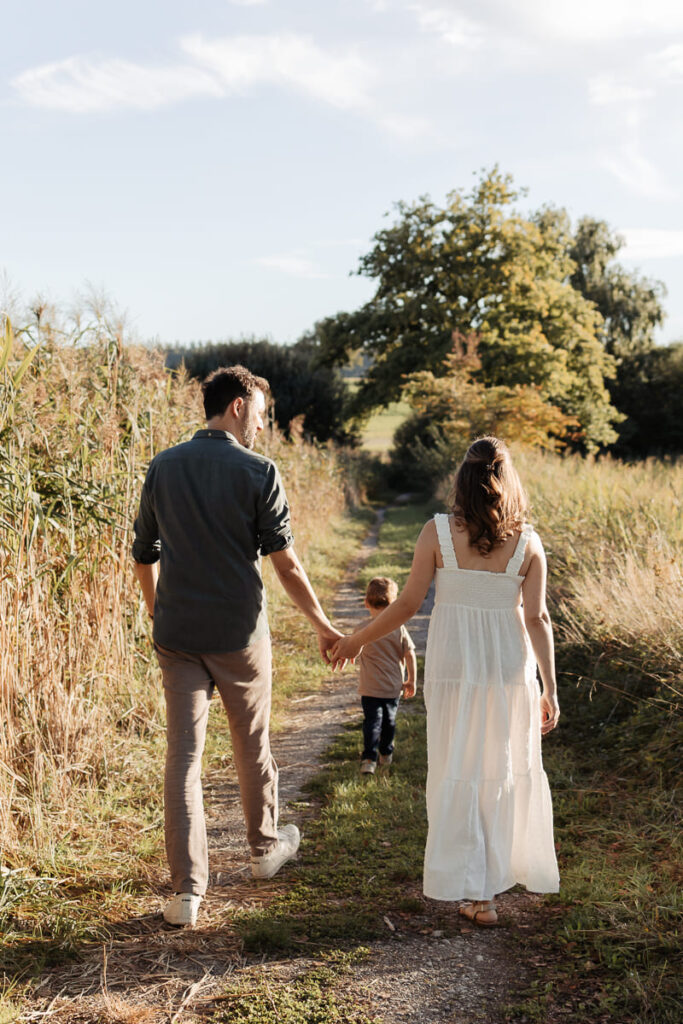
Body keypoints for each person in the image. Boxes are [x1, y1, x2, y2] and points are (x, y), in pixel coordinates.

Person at [132, 365, 342, 927]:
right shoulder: (259, 471)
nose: (263, 427)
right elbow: (286, 564)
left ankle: (187, 894)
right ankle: (264, 850)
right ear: (239, 405)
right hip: (240, 637)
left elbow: (144, 552)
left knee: (183, 759)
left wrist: (157, 610)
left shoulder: (163, 465)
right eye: (262, 415)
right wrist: (323, 625)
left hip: (177, 636)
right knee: (251, 743)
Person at [331, 436, 560, 926]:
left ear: (462, 480)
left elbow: (407, 604)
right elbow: (538, 618)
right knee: (500, 768)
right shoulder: (529, 542)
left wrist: (355, 640)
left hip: (455, 670)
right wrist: (550, 688)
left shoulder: (436, 532)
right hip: (508, 669)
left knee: (460, 767)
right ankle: (488, 892)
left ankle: (476, 890)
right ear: (509, 480)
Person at [356, 577, 417, 775]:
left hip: (371, 688)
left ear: (366, 603)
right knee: (388, 722)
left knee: (372, 723)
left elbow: (351, 649)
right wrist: (411, 680)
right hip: (391, 688)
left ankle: (370, 759)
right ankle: (384, 753)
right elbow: (410, 654)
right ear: (393, 604)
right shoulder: (398, 628)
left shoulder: (361, 629)